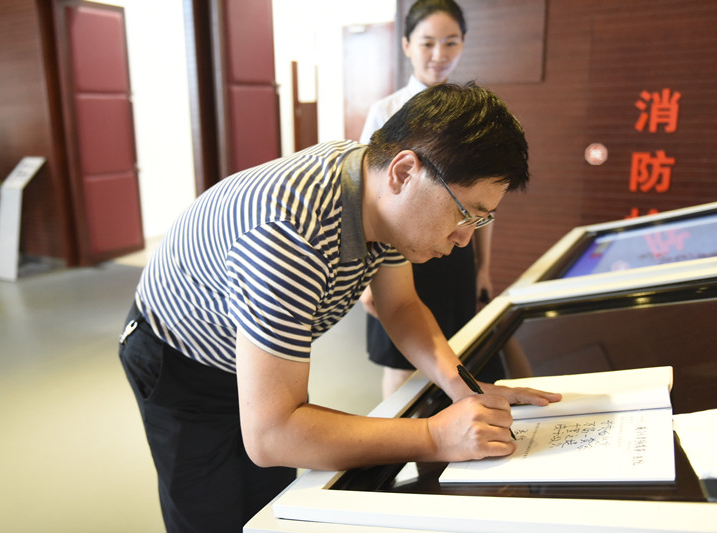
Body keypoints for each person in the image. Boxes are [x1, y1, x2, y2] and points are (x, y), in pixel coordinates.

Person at [118, 83, 561, 533]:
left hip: (245, 349)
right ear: (404, 172)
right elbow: (272, 434)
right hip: (181, 354)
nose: (466, 238)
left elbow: (401, 306)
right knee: (211, 511)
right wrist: (435, 436)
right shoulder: (289, 235)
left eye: (481, 219)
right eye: (465, 213)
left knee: (266, 503)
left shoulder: (378, 189)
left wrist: (463, 386)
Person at [360, 0, 494, 398]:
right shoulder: (386, 111)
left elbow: (482, 204)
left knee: (452, 352)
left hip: (454, 253)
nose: (439, 55)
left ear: (463, 44)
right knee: (400, 363)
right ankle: (403, 435)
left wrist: (484, 267)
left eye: (451, 42)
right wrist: (366, 276)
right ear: (407, 45)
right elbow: (367, 196)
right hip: (394, 253)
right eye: (427, 43)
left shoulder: (474, 117)